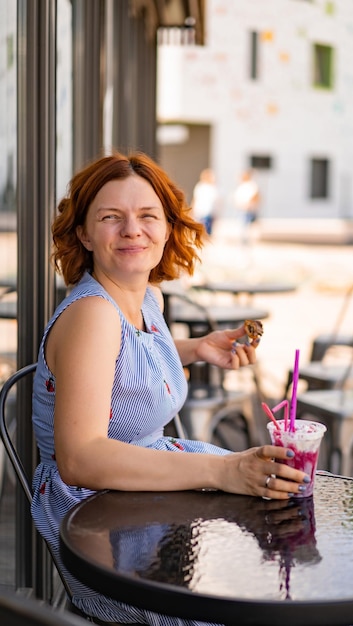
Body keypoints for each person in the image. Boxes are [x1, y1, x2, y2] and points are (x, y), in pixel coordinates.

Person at [30, 151, 309, 626]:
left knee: (268, 558)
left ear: (167, 226)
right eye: (110, 217)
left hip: (146, 490)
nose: (132, 230)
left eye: (147, 216)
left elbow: (124, 355)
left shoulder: (147, 298)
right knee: (261, 587)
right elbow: (79, 460)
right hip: (98, 518)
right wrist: (221, 471)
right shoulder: (91, 315)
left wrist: (197, 348)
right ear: (83, 233)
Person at [233, 169, 261, 245]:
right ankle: (243, 241)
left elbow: (256, 196)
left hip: (248, 210)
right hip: (241, 209)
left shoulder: (252, 185)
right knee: (241, 226)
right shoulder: (242, 185)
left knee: (246, 227)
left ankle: (246, 241)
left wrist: (248, 204)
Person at [191, 168, 220, 236]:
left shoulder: (202, 186)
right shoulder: (205, 187)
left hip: (205, 211)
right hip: (203, 211)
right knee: (204, 229)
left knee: (204, 229)